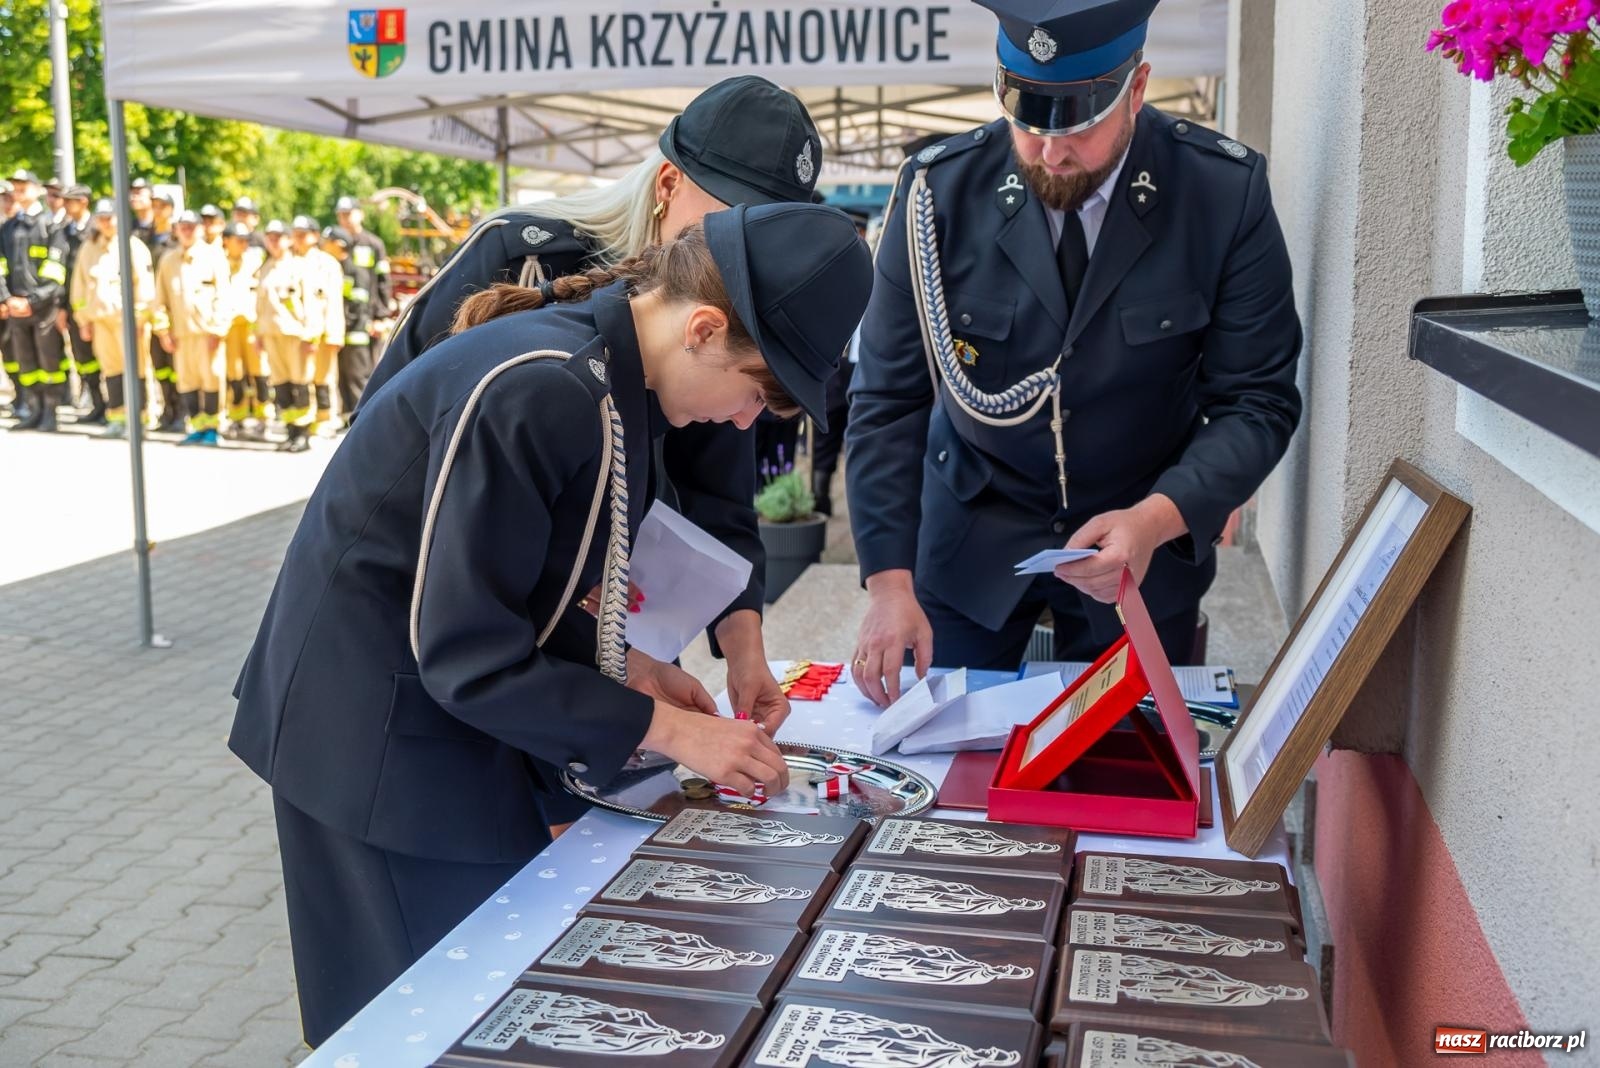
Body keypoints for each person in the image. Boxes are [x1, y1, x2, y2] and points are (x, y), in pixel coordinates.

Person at [230, 202, 870, 1047]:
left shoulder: (611, 382)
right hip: (374, 743)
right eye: (757, 391)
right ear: (704, 330)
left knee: (486, 1010)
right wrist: (671, 729)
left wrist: (630, 667)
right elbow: (470, 655)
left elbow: (529, 583)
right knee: (421, 1027)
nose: (748, 420)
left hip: (433, 716)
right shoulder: (545, 385)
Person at [845, 0, 1304, 705]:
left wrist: (1159, 517)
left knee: (1125, 751)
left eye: (1080, 124)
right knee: (943, 747)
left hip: (1141, 536)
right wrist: (887, 584)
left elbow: (1257, 401)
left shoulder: (1220, 192)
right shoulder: (937, 191)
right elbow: (887, 399)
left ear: (1137, 88)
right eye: (1029, 120)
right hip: (971, 531)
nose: (1052, 152)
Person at [356, 75, 825, 723]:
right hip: (461, 631)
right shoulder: (521, 257)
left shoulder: (725, 313)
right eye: (732, 223)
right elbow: (390, 435)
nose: (747, 256)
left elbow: (718, 493)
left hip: (612, 631)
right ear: (667, 185)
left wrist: (746, 655)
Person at [70, 199, 155, 438]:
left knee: (135, 369)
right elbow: (79, 286)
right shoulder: (89, 248)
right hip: (101, 321)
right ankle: (117, 417)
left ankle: (139, 419)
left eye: (109, 218)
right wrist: (83, 320)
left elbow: (145, 287)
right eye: (101, 218)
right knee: (112, 369)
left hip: (127, 321)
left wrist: (140, 319)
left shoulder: (133, 246)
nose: (105, 223)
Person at [810, 205, 873, 515]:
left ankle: (857, 499)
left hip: (862, 365)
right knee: (826, 433)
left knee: (860, 435)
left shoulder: (874, 267)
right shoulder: (828, 268)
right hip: (835, 365)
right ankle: (819, 496)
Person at [151, 209, 229, 445]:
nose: (186, 231)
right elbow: (160, 300)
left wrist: (217, 329)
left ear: (200, 229)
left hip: (207, 333)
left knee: (212, 379)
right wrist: (163, 331)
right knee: (188, 382)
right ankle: (197, 426)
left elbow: (224, 296)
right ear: (175, 230)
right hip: (182, 335)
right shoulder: (168, 260)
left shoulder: (214, 256)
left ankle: (213, 428)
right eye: (182, 227)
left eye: (191, 227)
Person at [1, 170, 70, 432]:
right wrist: (6, 299)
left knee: (49, 361)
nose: (18, 189)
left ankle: (51, 412)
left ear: (36, 189)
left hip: (42, 309)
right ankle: (34, 409)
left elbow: (56, 273)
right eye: (15, 185)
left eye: (24, 185)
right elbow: (1, 267)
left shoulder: (51, 225)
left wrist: (31, 300)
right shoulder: (8, 227)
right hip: (16, 308)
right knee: (26, 362)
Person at [253, 219, 315, 453]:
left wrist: (311, 335)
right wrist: (258, 334)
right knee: (281, 384)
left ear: (288, 240)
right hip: (271, 334)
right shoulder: (265, 268)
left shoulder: (299, 267)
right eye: (270, 238)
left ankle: (303, 432)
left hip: (295, 335)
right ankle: (290, 431)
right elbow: (260, 306)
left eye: (278, 237)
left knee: (300, 382)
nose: (274, 242)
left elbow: (311, 303)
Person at [290, 216, 344, 434]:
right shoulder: (289, 262)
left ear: (314, 236)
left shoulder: (327, 264)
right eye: (295, 234)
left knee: (324, 377)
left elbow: (334, 302)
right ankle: (305, 421)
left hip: (322, 332)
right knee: (302, 378)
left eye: (303, 234)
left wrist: (334, 334)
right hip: (296, 333)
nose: (298, 239)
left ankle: (325, 420)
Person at [58, 184, 107, 424]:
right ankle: (97, 403)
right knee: (83, 357)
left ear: (84, 202)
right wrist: (62, 307)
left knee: (106, 356)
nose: (66, 205)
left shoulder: (97, 229)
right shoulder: (64, 230)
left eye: (71, 200)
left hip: (99, 305)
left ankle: (113, 405)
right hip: (74, 305)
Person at [320, 225, 375, 424]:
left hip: (354, 334)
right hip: (339, 334)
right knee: (342, 379)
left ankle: (363, 422)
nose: (323, 246)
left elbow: (357, 305)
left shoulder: (354, 271)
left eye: (327, 242)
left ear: (339, 245)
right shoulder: (334, 268)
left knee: (356, 378)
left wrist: (346, 325)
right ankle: (347, 419)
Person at [218, 222, 266, 435]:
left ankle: (263, 416)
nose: (244, 244)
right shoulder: (217, 263)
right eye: (239, 240)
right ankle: (237, 416)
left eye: (246, 240)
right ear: (226, 241)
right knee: (234, 373)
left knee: (259, 372)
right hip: (228, 327)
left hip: (252, 326)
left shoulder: (255, 261)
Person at [334, 195, 392, 323]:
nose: (345, 219)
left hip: (367, 314)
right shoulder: (333, 245)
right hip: (339, 313)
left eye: (348, 214)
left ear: (361, 214)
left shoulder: (374, 244)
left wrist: (381, 315)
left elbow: (383, 281)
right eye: (341, 215)